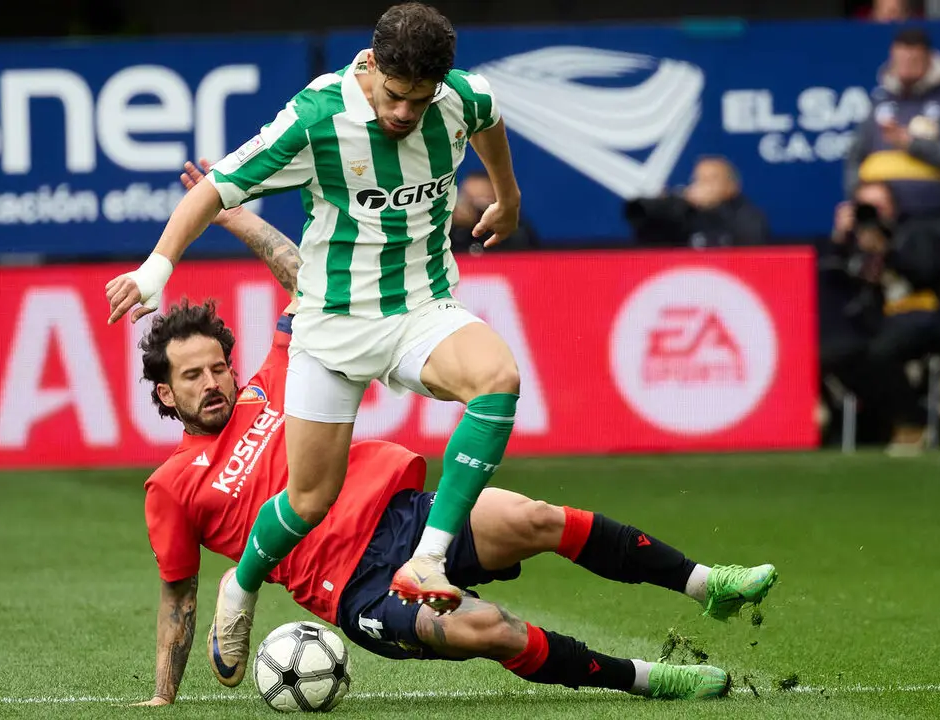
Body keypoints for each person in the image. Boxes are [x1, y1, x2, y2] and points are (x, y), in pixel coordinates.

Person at [131, 204, 779, 707]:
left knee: (532, 517)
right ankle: (644, 680)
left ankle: (706, 585)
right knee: (490, 629)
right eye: (193, 376)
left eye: (217, 367)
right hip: (358, 588)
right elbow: (176, 596)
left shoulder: (274, 382)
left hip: (408, 518)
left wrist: (237, 215)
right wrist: (165, 692)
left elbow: (310, 286)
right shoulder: (171, 487)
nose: (212, 382)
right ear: (165, 391)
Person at [105, 2, 526, 686]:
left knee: (498, 379)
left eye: (419, 102)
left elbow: (490, 120)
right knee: (309, 499)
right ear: (372, 65)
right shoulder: (316, 116)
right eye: (394, 96)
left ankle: (429, 557)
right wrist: (158, 266)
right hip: (331, 327)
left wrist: (506, 197)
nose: (404, 113)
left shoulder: (460, 98)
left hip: (420, 308)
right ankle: (241, 587)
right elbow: (213, 189)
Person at [819, 181, 940, 453]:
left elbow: (927, 274)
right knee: (832, 354)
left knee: (881, 351)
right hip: (877, 324)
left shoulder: (915, 233)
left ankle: (912, 422)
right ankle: (870, 421)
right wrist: (838, 240)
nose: (873, 213)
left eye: (878, 206)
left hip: (923, 317)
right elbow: (831, 282)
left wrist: (887, 250)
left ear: (892, 207)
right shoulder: (854, 241)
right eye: (865, 206)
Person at [843, 27, 940, 250]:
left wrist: (912, 144)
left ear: (929, 59)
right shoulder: (879, 103)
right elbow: (854, 157)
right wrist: (860, 192)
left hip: (937, 224)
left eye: (913, 60)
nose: (905, 67)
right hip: (882, 225)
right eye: (899, 60)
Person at [623, 156, 769, 249]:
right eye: (698, 180)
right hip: (687, 280)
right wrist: (670, 205)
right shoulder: (685, 210)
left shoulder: (745, 214)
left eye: (711, 180)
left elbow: (751, 244)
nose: (702, 185)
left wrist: (712, 209)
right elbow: (647, 236)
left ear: (731, 186)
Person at [449, 169, 540, 255]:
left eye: (479, 200)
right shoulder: (449, 229)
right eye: (467, 198)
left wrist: (480, 222)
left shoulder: (515, 228)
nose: (471, 207)